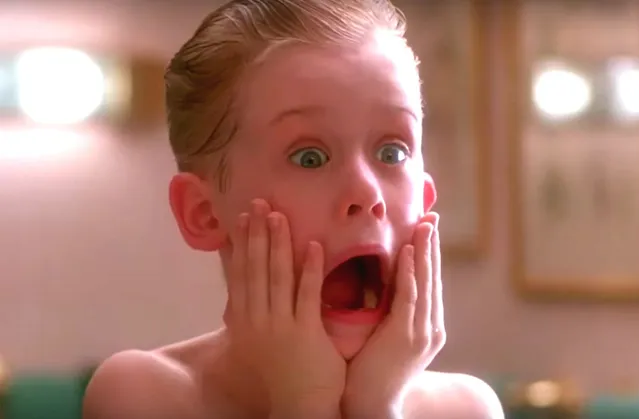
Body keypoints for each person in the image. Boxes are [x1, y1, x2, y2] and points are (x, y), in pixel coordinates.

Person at [83, 0, 504, 418]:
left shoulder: (468, 410)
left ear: (426, 202)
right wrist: (305, 403)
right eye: (310, 158)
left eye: (392, 152)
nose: (366, 192)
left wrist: (380, 406)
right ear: (204, 213)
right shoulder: (143, 397)